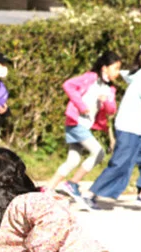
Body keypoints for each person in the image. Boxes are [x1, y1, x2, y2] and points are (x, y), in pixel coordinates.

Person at [85, 43, 141, 209]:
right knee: (120, 164)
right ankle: (90, 194)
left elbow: (128, 76)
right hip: (128, 128)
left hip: (136, 129)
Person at [46, 52, 122, 210]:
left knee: (73, 160)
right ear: (105, 68)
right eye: (115, 68)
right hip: (76, 122)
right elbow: (68, 85)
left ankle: (46, 190)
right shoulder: (90, 78)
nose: (118, 72)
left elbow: (111, 110)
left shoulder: (110, 89)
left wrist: (105, 101)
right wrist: (82, 106)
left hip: (85, 126)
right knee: (99, 152)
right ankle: (72, 184)